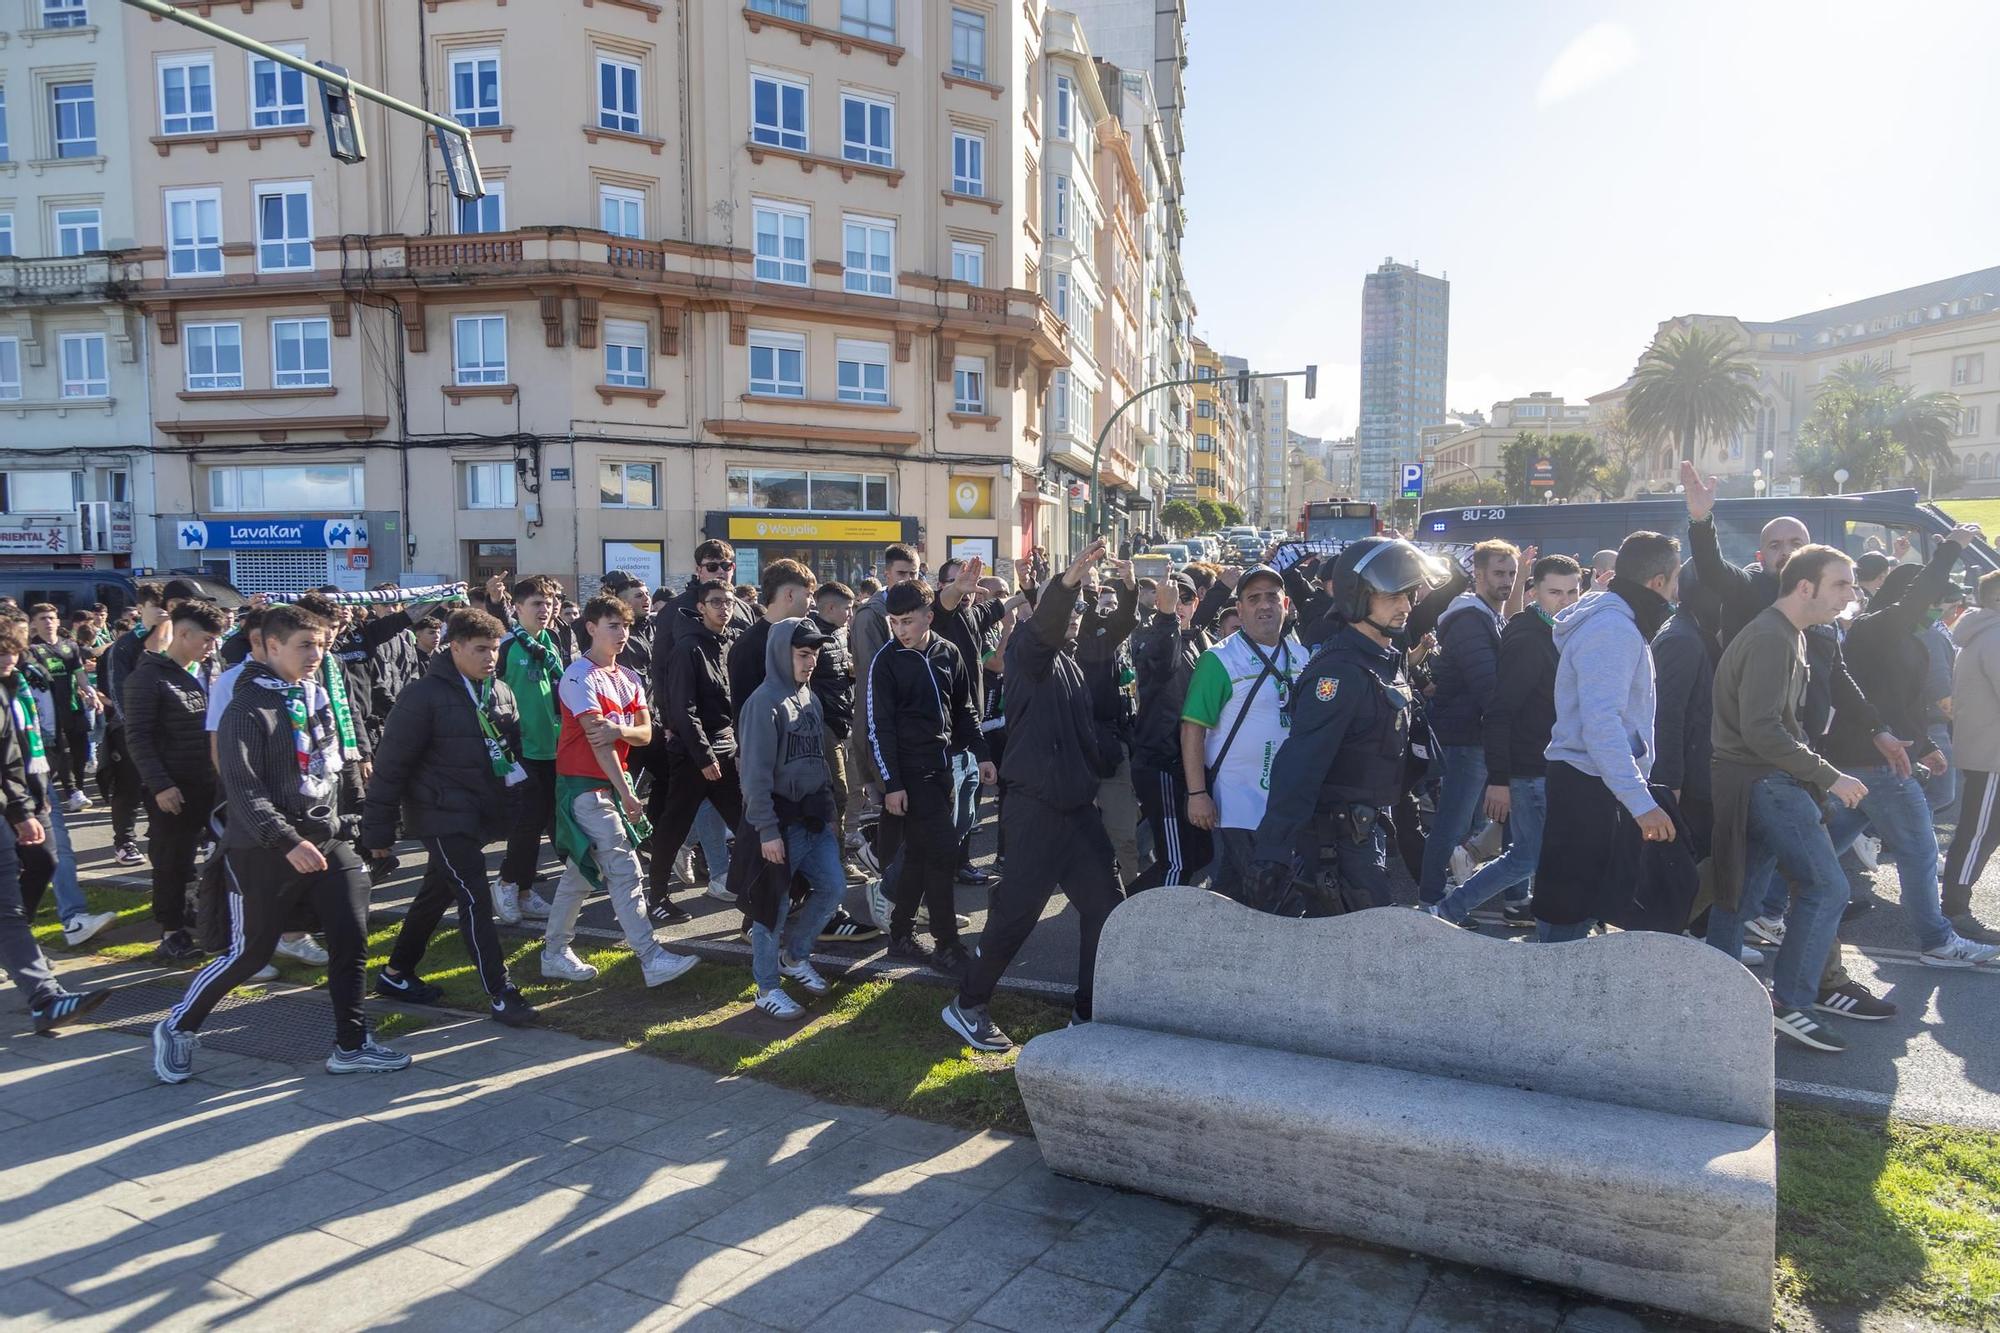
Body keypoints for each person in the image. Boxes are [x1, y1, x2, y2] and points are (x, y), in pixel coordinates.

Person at [153, 603, 409, 1083]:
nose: (317, 653)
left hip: (328, 842)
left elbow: (335, 767)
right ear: (271, 647)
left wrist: (357, 826)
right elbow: (242, 789)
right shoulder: (245, 707)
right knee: (250, 953)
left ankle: (351, 1045)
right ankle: (178, 1026)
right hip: (264, 848)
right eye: (304, 645)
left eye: (321, 643)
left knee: (351, 940)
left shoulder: (312, 695)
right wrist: (285, 839)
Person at [943, 539, 1123, 1051]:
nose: (1075, 615)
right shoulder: (1028, 651)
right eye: (1066, 606)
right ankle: (968, 1005)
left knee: (1107, 908)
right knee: (1015, 916)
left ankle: (1086, 1013)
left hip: (1076, 810)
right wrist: (1065, 583)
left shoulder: (1066, 658)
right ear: (1040, 611)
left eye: (1078, 606)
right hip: (1035, 810)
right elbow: (1044, 626)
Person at [1703, 546, 1878, 1051]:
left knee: (1738, 895)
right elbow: (1763, 731)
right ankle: (1791, 1006)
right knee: (1826, 888)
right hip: (1763, 780)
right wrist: (1829, 777)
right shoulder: (1771, 639)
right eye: (1841, 584)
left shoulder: (1789, 635)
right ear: (1806, 587)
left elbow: (1776, 727)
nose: (1851, 594)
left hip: (1757, 781)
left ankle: (1718, 1001)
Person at [1237, 538, 1443, 915]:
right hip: (1337, 846)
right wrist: (1272, 853)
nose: (1406, 606)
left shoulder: (1386, 659)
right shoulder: (1340, 673)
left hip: (1368, 831)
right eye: (1394, 596)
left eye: (1409, 595)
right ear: (1358, 597)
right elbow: (1300, 764)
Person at [1823, 529, 1995, 968]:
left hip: (1880, 755)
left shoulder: (1897, 637)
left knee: (1826, 841)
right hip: (1877, 760)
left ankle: (1763, 909)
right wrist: (1950, 550)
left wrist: (1924, 745)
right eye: (1932, 599)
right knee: (1919, 850)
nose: (1938, 608)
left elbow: (1900, 704)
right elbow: (1918, 599)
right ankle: (1937, 941)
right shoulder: (1876, 629)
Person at [364, 609, 536, 1026]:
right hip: (438, 815)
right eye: (480, 649)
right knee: (474, 896)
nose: (490, 657)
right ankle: (500, 991)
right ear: (453, 647)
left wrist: (511, 810)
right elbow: (391, 766)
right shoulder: (421, 695)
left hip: (476, 813)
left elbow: (508, 757)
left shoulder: (499, 691)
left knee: (436, 893)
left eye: (494, 649)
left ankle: (396, 973)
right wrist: (378, 831)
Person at [541, 595, 699, 987]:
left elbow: (644, 734)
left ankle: (554, 952)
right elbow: (599, 740)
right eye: (613, 625)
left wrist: (620, 734)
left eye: (625, 626)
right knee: (625, 869)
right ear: (591, 628)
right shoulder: (578, 675)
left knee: (581, 873)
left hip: (609, 785)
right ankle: (649, 956)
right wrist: (626, 793)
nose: (622, 634)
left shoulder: (628, 677)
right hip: (584, 786)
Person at [1531, 532, 1681, 942]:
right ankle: (1553, 999)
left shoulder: (1617, 621)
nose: (1677, 590)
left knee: (1578, 909)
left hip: (1592, 780)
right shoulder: (1614, 628)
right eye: (1675, 579)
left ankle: (1561, 993)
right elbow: (1602, 724)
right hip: (1588, 783)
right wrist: (1640, 803)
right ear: (1657, 582)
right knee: (1568, 916)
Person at [1431, 554, 1581, 927]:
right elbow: (1499, 709)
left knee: (1528, 855)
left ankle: (1451, 909)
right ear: (1535, 592)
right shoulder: (1531, 639)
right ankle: (1446, 908)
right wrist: (1500, 779)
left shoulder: (1552, 630)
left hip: (1543, 764)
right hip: (1530, 767)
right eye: (1555, 592)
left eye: (1573, 591)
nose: (1565, 600)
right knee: (1529, 855)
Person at [868, 579, 992, 976]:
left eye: (907, 621)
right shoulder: (885, 661)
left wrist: (982, 755)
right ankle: (946, 944)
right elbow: (878, 728)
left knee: (922, 856)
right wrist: (892, 784)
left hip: (944, 770)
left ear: (928, 617)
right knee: (941, 853)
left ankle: (900, 936)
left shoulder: (948, 652)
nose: (901, 630)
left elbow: (965, 710)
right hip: (910, 774)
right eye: (894, 622)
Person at [737, 617, 843, 1019]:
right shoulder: (763, 703)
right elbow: (754, 775)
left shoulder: (810, 697)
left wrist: (830, 810)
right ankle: (766, 987)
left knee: (832, 889)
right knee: (771, 909)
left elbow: (818, 760)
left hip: (814, 819)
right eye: (802, 653)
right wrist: (766, 830)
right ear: (782, 653)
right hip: (780, 822)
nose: (810, 661)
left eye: (814, 653)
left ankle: (794, 956)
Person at [1180, 565, 1305, 894]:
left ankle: (1205, 943)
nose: (1264, 605)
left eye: (1271, 598)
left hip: (1286, 806)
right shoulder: (1219, 660)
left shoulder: (1301, 656)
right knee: (1269, 895)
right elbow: (1192, 728)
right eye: (1253, 599)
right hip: (1238, 805)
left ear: (1286, 604)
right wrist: (1197, 794)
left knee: (1235, 895)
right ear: (1240, 609)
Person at [0, 650, 107, 1034]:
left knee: (12, 903)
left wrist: (21, 808)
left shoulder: (10, 689)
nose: (8, 659)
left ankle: (45, 998)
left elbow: (10, 757)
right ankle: (44, 996)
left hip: (9, 807)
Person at [0, 626, 115, 948]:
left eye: (17, 644)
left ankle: (45, 927)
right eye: (6, 646)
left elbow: (38, 727)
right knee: (24, 862)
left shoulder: (26, 677)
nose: (14, 653)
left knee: (48, 858)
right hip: (13, 788)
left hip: (36, 776)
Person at [1417, 540, 1518, 907]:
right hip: (1466, 737)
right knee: (1452, 825)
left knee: (1469, 825)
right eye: (1499, 573)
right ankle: (1432, 898)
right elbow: (1489, 686)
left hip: (1477, 734)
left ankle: (1452, 894)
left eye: (1511, 573)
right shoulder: (1469, 619)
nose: (1506, 581)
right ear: (1477, 575)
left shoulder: (1488, 615)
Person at [122, 599, 223, 962]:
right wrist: (161, 784)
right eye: (208, 639)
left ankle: (196, 913)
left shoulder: (209, 670)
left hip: (210, 781)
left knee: (210, 857)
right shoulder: (148, 677)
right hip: (173, 786)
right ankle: (170, 931)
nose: (212, 647)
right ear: (182, 633)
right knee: (171, 860)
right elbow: (138, 737)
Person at [650, 579, 744, 923]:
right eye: (716, 602)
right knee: (674, 828)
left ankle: (758, 891)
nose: (724, 608)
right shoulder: (688, 648)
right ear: (701, 607)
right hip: (694, 756)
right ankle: (657, 898)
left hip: (725, 750)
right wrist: (704, 757)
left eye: (728, 602)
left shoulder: (728, 643)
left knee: (746, 825)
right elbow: (682, 708)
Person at [1127, 572, 1223, 891]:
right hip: (1161, 765)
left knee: (1200, 854)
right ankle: (1127, 920)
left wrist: (1222, 588)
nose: (1178, 604)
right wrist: (1166, 616)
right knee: (1177, 862)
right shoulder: (1148, 637)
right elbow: (1164, 663)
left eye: (1185, 599)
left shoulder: (1194, 642)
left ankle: (1127, 906)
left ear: (1195, 603)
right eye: (1171, 597)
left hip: (1187, 768)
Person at [493, 575, 569, 925]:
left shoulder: (552, 639)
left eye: (550, 602)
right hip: (522, 749)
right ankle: (508, 883)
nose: (546, 609)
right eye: (537, 603)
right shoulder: (507, 645)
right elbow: (489, 697)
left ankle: (524, 891)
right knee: (526, 824)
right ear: (518, 607)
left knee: (545, 821)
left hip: (554, 746)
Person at [1943, 569, 2000, 940]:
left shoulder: (1982, 631)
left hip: (1986, 749)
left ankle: (1954, 906)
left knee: (1984, 831)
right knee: (1978, 833)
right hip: (1991, 753)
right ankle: (1955, 910)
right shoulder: (1994, 636)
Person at [1652, 560, 1721, 861]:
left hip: (1697, 772)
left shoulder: (1694, 631)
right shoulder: (1682, 639)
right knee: (1687, 865)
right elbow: (1666, 716)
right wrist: (1670, 784)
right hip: (1689, 782)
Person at [100, 580, 171, 867]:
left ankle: (158, 832)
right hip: (129, 730)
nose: (163, 613)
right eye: (156, 608)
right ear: (140, 609)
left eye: (166, 607)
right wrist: (134, 728)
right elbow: (116, 690)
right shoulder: (125, 646)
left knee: (160, 785)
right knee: (129, 786)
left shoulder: (172, 639)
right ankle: (124, 840)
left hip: (165, 730)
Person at [26, 604, 98, 812]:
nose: (48, 622)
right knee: (61, 752)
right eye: (42, 619)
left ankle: (78, 790)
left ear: (58, 621)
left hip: (74, 705)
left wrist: (91, 693)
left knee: (81, 752)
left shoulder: (70, 646)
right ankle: (71, 791)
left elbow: (79, 673)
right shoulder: (32, 650)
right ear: (34, 624)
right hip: (50, 710)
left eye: (51, 618)